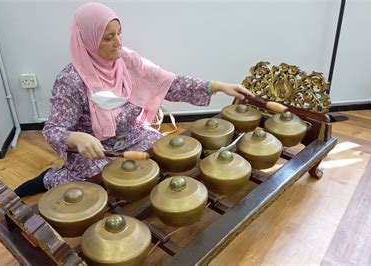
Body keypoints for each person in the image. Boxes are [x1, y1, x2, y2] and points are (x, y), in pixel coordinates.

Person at [14, 2, 253, 197]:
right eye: (108, 37)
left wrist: (218, 87)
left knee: (165, 157)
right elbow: (53, 129)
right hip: (96, 152)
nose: (118, 42)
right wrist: (76, 137)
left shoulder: (127, 61)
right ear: (87, 39)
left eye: (119, 33)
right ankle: (50, 179)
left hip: (132, 136)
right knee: (100, 186)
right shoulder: (71, 80)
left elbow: (169, 83)